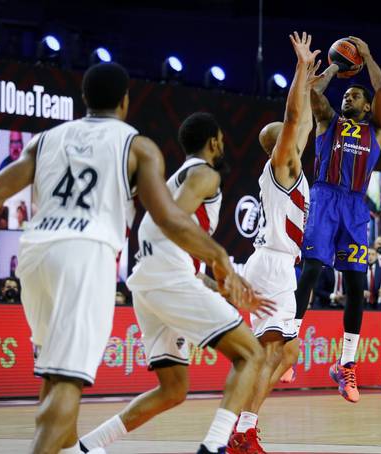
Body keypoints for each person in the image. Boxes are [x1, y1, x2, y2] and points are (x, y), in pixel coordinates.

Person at [0, 62, 259, 454]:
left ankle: (80, 449)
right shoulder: (137, 146)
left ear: (84, 99)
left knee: (58, 379)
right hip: (86, 257)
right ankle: (213, 447)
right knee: (67, 384)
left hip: (34, 257)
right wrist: (220, 259)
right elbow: (167, 219)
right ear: (125, 102)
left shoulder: (45, 140)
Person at [81, 110, 276, 454]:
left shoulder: (175, 179)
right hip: (167, 278)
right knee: (251, 355)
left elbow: (172, 244)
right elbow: (173, 223)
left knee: (173, 388)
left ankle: (87, 446)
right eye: (221, 141)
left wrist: (223, 286)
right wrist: (223, 267)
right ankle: (214, 446)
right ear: (214, 141)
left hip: (148, 282)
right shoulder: (205, 175)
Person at [227, 32, 317, 452]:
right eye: (288, 135)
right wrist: (298, 69)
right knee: (269, 355)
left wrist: (315, 75)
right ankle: (242, 432)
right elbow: (296, 117)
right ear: (278, 144)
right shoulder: (281, 165)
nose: (296, 136)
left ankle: (243, 425)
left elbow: (307, 120)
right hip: (273, 264)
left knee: (288, 354)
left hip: (277, 265)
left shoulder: (289, 166)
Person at [294, 35, 381, 403]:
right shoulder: (328, 122)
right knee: (313, 271)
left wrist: (366, 55)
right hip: (324, 196)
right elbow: (312, 93)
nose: (347, 98)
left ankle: (346, 365)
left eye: (354, 97)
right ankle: (291, 345)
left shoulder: (375, 129)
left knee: (355, 284)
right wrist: (336, 64)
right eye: (346, 95)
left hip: (353, 206)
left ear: (366, 108)